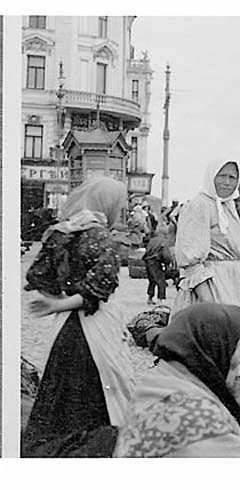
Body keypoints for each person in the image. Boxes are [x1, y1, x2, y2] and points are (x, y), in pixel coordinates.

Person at [23, 177, 134, 457]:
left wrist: (57, 299)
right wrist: (60, 305)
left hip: (65, 329)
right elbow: (99, 289)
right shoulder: (100, 236)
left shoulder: (61, 231)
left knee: (62, 388)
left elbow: (37, 276)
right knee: (103, 386)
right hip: (95, 324)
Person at [115, 303, 240, 457]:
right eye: (234, 352)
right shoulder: (202, 422)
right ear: (213, 353)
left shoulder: (154, 385)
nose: (239, 359)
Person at [171, 159, 240, 321]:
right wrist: (208, 301)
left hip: (231, 282)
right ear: (211, 176)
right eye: (222, 176)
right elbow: (190, 258)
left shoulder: (229, 207)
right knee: (212, 329)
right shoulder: (199, 205)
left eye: (232, 178)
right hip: (211, 284)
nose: (227, 182)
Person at [144, 226, 173, 305]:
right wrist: (167, 263)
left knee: (152, 281)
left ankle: (150, 297)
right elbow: (166, 255)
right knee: (161, 280)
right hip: (156, 262)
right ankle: (161, 299)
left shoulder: (152, 240)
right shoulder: (163, 242)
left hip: (147, 261)